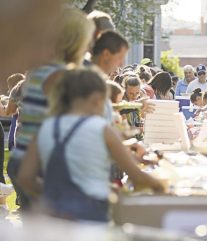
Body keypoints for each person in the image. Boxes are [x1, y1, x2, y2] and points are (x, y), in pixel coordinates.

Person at [17, 67, 163, 223]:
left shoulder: (45, 127)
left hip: (52, 216)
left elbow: (25, 178)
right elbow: (137, 176)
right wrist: (161, 186)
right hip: (90, 216)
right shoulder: (101, 129)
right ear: (97, 98)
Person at [8, 8, 96, 210]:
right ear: (76, 40)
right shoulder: (60, 76)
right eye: (87, 40)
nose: (89, 46)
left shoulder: (40, 71)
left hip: (25, 161)